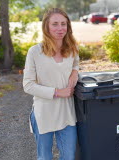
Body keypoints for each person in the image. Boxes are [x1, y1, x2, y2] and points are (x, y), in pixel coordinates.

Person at [23, 8, 79, 160]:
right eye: (55, 24)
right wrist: (57, 92)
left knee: (68, 156)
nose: (60, 28)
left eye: (63, 24)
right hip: (44, 113)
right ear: (46, 27)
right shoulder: (35, 52)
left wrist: (75, 71)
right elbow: (28, 85)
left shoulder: (72, 49)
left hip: (67, 113)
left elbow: (76, 64)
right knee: (44, 157)